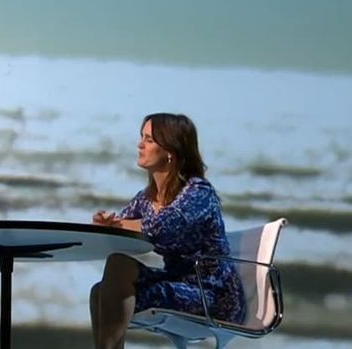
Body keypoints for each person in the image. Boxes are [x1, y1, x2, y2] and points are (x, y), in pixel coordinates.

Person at [89, 113, 245, 349]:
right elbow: (123, 228)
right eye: (142, 137)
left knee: (110, 289)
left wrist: (117, 224)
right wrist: (105, 224)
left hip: (212, 296)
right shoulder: (147, 198)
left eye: (149, 139)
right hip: (177, 282)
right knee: (106, 283)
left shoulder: (199, 193)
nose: (140, 144)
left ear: (170, 150)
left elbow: (160, 227)